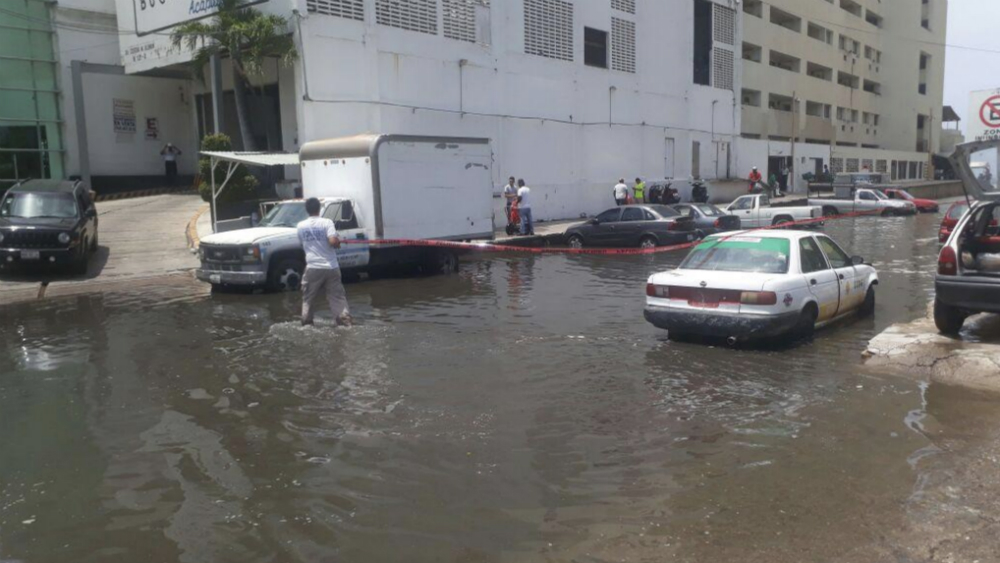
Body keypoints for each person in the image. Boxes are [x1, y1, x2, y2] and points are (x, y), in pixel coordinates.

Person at [297, 197, 351, 327]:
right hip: (331, 267)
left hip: (313, 267)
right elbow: (333, 241)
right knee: (337, 297)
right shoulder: (327, 222)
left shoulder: (300, 226)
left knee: (308, 297)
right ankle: (344, 323)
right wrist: (337, 242)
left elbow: (302, 244)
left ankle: (307, 323)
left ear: (307, 210)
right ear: (319, 209)